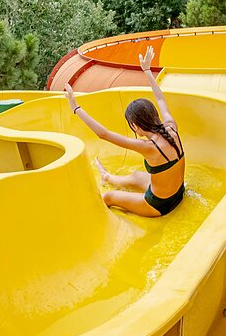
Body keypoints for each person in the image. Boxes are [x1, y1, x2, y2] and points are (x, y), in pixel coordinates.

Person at [63, 47, 185, 217]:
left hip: (160, 206)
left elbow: (103, 134)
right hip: (179, 193)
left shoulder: (149, 147)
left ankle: (109, 184)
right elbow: (160, 98)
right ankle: (108, 178)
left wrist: (75, 107)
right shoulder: (171, 127)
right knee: (136, 177)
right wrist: (147, 70)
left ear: (135, 126)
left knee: (109, 197)